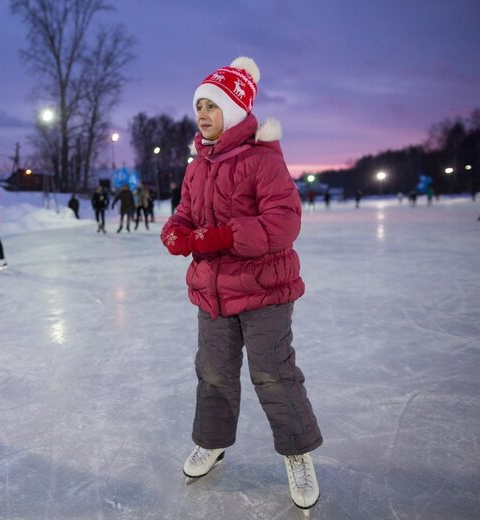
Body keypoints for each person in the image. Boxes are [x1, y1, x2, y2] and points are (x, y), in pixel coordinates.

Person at [160, 57, 322, 511]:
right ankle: (212, 442)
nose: (203, 114)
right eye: (199, 107)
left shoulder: (262, 159)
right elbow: (187, 211)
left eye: (212, 106)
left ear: (233, 111)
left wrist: (226, 236)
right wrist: (175, 229)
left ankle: (297, 454)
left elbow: (284, 222)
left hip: (264, 290)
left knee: (273, 374)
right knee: (213, 372)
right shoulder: (198, 165)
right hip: (212, 291)